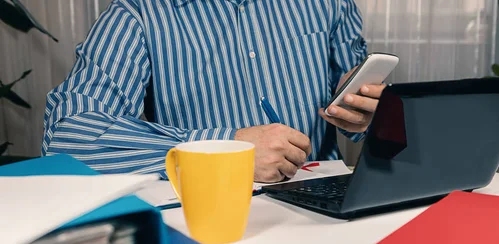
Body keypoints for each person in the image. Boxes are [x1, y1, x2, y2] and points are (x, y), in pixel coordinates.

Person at [42, 0, 385, 183]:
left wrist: (361, 115)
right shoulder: (137, 13)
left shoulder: (330, 2)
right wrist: (223, 151)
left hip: (324, 206)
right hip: (207, 211)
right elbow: (68, 137)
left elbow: (355, 107)